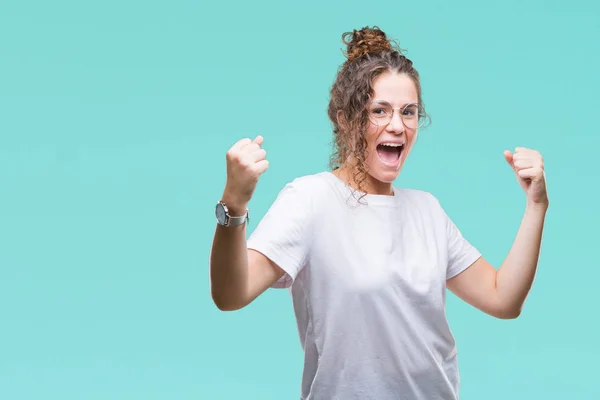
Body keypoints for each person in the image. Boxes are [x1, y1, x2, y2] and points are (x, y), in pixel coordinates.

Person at [209, 26, 548, 400]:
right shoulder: (310, 200)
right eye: (379, 111)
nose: (397, 126)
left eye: (409, 112)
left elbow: (504, 299)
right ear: (346, 119)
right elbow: (230, 293)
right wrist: (234, 204)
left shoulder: (427, 211)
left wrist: (536, 205)